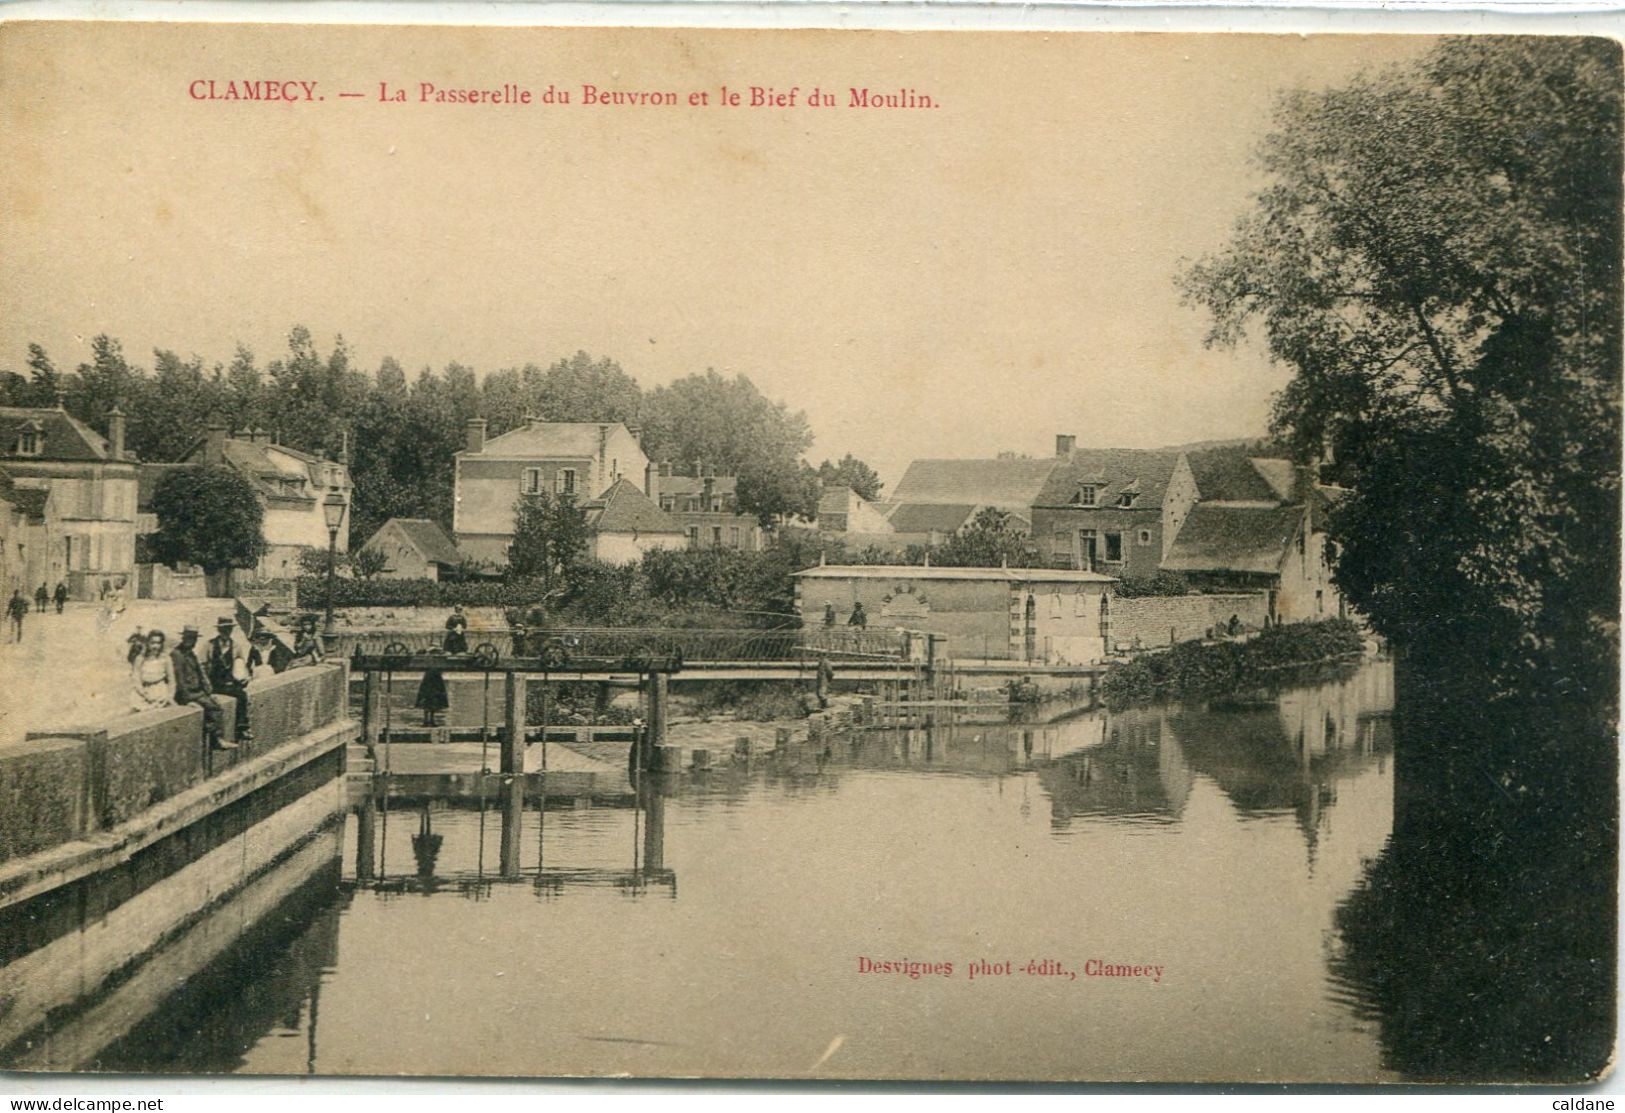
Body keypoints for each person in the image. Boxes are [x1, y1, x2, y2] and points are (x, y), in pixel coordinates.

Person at [172, 624, 235, 750]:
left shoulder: (191, 653)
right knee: (213, 708)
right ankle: (216, 740)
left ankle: (217, 737)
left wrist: (209, 691)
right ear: (184, 638)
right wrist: (187, 700)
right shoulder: (177, 654)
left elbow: (201, 674)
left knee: (215, 703)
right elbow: (179, 680)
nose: (193, 641)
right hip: (189, 693)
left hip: (197, 691)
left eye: (194, 638)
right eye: (190, 638)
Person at [207, 616, 253, 743]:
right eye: (223, 629)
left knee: (242, 696)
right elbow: (202, 665)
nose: (226, 632)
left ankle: (242, 727)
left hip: (229, 682)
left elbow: (241, 665)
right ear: (219, 631)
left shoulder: (236, 646)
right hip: (213, 683)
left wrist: (246, 677)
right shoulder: (209, 646)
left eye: (228, 629)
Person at [416, 615, 467, 726]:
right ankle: (428, 720)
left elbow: (461, 647)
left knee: (433, 700)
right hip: (431, 677)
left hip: (434, 677)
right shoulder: (433, 651)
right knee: (430, 700)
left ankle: (430, 720)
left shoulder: (457, 637)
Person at [130, 630, 176, 711]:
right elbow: (136, 679)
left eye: (158, 643)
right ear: (148, 643)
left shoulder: (166, 659)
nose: (155, 646)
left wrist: (169, 696)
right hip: (144, 693)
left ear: (162, 644)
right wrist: (144, 694)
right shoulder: (140, 659)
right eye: (152, 643)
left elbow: (171, 680)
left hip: (161, 692)